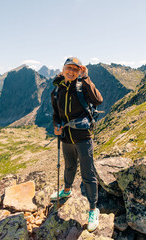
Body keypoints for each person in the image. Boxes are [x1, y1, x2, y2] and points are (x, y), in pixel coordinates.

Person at [50, 57, 103, 232]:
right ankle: (66, 190)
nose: (71, 72)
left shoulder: (82, 86)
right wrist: (56, 126)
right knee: (69, 166)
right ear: (63, 69)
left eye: (75, 69)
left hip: (83, 137)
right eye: (68, 68)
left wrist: (86, 77)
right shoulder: (57, 90)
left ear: (79, 70)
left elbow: (98, 100)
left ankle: (93, 209)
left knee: (88, 173)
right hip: (66, 136)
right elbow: (56, 113)